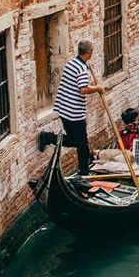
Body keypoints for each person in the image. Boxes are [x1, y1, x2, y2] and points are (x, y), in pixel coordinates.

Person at [50, 39, 105, 175]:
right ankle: (84, 173)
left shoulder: (71, 64)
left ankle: (47, 138)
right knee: (82, 144)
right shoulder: (81, 68)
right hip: (74, 113)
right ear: (90, 52)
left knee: (74, 141)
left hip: (64, 110)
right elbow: (83, 89)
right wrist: (98, 88)